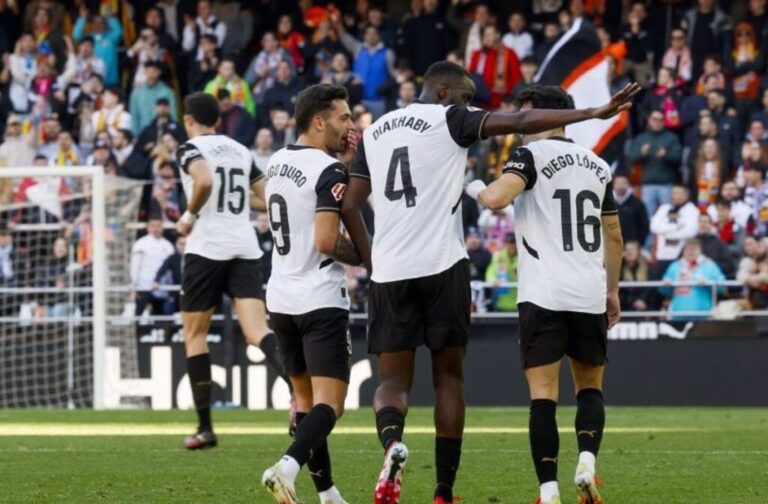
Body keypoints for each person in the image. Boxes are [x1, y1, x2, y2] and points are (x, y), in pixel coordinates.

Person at [341, 62, 639, 504]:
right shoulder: (451, 117)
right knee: (449, 378)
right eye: (465, 98)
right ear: (444, 91)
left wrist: (370, 258)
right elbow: (518, 122)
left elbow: (349, 205)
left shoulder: (375, 131)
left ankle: (392, 445)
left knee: (393, 382)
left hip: (390, 271)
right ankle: (444, 491)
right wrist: (591, 113)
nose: (470, 107)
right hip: (447, 265)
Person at [466, 85, 624, 504]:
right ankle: (587, 462)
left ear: (542, 115)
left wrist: (474, 187)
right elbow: (615, 237)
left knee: (543, 397)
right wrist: (612, 290)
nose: (519, 125)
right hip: (589, 290)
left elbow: (497, 198)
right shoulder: (598, 164)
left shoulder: (529, 156)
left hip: (543, 293)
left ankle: (549, 491)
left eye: (524, 114)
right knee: (590, 388)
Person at [260, 84, 359, 504]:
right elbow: (324, 240)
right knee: (330, 406)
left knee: (304, 404)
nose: (351, 125)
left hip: (280, 296)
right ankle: (285, 467)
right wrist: (368, 255)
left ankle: (329, 495)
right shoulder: (329, 171)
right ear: (319, 121)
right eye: (344, 117)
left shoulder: (277, 161)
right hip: (319, 297)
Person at [173, 92, 288, 450]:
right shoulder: (240, 150)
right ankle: (303, 394)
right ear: (218, 121)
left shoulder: (189, 149)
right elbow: (267, 196)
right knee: (257, 331)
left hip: (206, 248)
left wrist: (189, 216)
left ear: (188, 119)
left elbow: (204, 181)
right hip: (243, 246)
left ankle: (205, 428)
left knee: (195, 335)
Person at [626, 110, 683, 217]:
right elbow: (630, 157)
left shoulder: (671, 138)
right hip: (647, 184)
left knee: (667, 214)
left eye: (661, 120)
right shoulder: (641, 138)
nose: (657, 122)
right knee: (648, 216)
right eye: (654, 119)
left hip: (666, 183)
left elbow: (678, 157)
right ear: (649, 120)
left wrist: (666, 155)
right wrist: (641, 154)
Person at [660, 238, 725, 318]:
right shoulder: (675, 266)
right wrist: (665, 285)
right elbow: (664, 291)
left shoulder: (710, 265)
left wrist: (708, 283)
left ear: (700, 250)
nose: (690, 252)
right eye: (688, 249)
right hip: (677, 314)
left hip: (703, 315)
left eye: (694, 249)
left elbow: (723, 287)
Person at [650, 185, 700, 281]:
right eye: (673, 193)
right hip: (662, 254)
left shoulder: (692, 210)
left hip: (680, 255)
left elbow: (690, 231)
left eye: (677, 193)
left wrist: (666, 234)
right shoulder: (664, 208)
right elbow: (654, 227)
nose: (673, 196)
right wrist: (676, 227)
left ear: (686, 195)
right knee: (657, 284)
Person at [131, 218, 174, 316]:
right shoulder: (140, 244)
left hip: (162, 287)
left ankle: (158, 331)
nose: (156, 229)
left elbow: (170, 270)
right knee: (139, 313)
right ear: (148, 228)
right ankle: (140, 331)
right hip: (143, 285)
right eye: (153, 226)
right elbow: (135, 266)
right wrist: (134, 284)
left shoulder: (168, 246)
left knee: (160, 314)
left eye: (158, 226)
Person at [484, 232, 518, 312]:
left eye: (514, 243)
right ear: (505, 244)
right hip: (501, 301)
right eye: (509, 243)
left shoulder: (524, 257)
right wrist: (493, 281)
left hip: (519, 302)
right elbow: (490, 272)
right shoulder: (498, 256)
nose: (511, 245)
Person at [613, 174, 649, 245]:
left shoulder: (638, 204)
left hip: (632, 245)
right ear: (613, 185)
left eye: (623, 183)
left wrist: (639, 243)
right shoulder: (607, 203)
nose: (620, 186)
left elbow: (644, 226)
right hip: (612, 245)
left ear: (628, 185)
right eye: (618, 183)